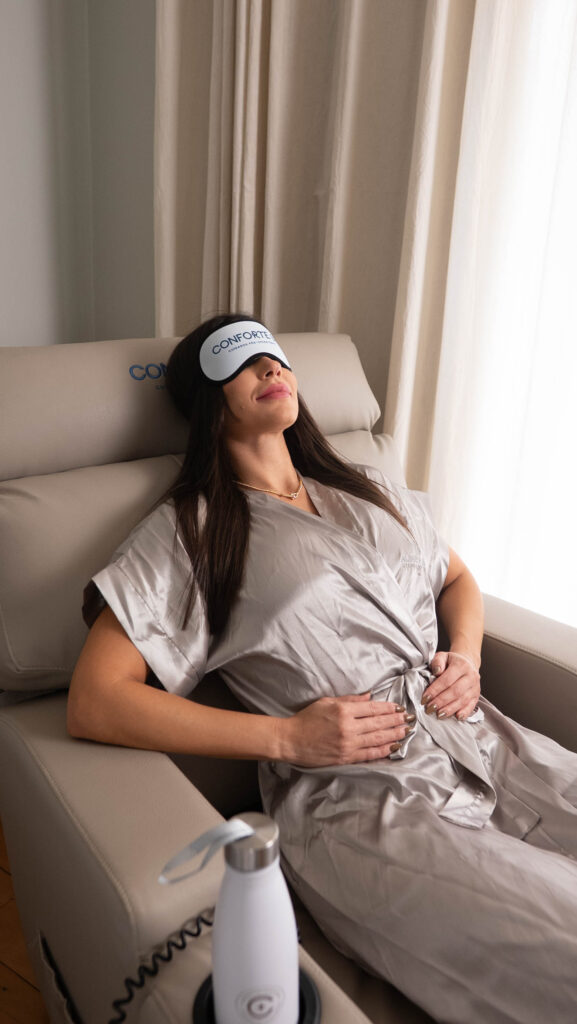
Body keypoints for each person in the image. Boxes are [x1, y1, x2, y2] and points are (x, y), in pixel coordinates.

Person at [68, 314, 577, 1024]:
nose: (270, 369)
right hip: (360, 801)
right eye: (241, 362)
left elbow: (457, 577)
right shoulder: (191, 532)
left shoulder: (366, 486)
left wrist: (466, 654)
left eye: (275, 357)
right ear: (208, 400)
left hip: (480, 738)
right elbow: (95, 700)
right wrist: (285, 738)